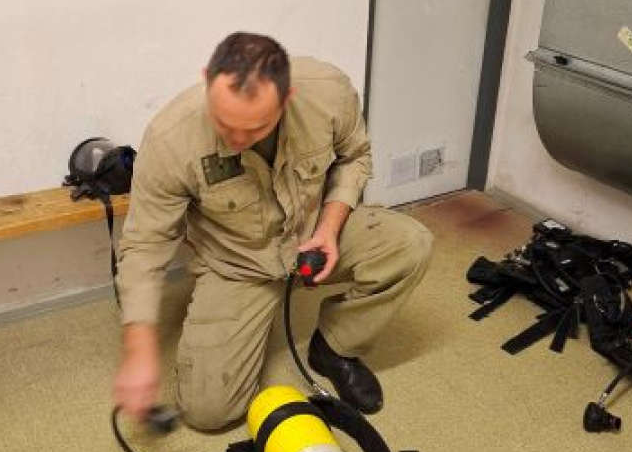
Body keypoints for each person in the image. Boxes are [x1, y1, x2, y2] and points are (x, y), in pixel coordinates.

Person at [113, 32, 433, 429]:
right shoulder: (170, 140)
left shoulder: (328, 92)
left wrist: (329, 228)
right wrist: (139, 349)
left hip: (312, 235)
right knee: (208, 413)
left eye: (255, 128)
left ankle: (335, 347)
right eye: (224, 123)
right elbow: (145, 244)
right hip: (238, 265)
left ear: (287, 98)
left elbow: (355, 157)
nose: (237, 140)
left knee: (410, 245)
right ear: (207, 79)